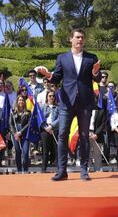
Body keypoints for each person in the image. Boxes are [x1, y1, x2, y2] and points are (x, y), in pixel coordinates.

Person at [38, 28, 101, 181]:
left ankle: (84, 170)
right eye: (77, 37)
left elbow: (97, 80)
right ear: (71, 39)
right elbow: (56, 78)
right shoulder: (62, 58)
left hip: (85, 102)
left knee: (85, 136)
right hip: (66, 102)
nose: (80, 40)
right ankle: (62, 171)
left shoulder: (91, 58)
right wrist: (47, 75)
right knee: (62, 135)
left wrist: (95, 73)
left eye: (82, 38)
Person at [9, 95, 31, 173]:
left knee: (25, 152)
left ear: (24, 102)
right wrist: (15, 133)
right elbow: (11, 124)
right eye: (19, 100)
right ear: (17, 102)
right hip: (15, 134)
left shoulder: (28, 112)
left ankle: (25, 170)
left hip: (24, 133)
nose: (21, 101)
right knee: (18, 152)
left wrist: (20, 132)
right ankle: (19, 170)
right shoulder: (13, 112)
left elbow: (29, 124)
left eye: (22, 100)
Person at [40, 90, 59, 173]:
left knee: (56, 149)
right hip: (45, 130)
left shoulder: (58, 107)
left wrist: (52, 126)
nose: (52, 97)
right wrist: (46, 127)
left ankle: (59, 168)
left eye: (53, 96)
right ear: (47, 97)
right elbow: (40, 119)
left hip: (54, 129)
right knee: (45, 149)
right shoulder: (43, 107)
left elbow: (60, 118)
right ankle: (44, 168)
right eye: (50, 96)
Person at [89, 97, 107, 172]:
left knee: (97, 153)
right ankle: (87, 168)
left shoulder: (101, 111)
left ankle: (98, 169)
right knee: (86, 152)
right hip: (87, 133)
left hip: (97, 135)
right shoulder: (85, 110)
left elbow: (103, 124)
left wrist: (96, 133)